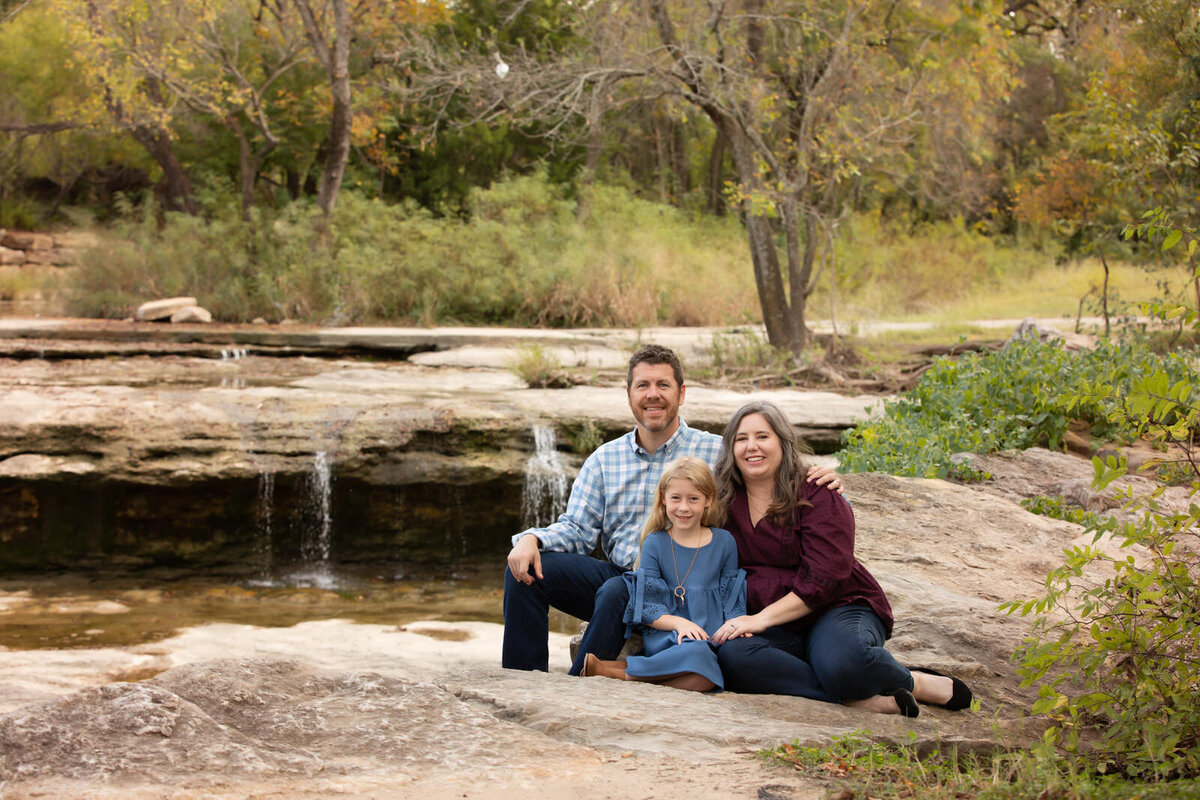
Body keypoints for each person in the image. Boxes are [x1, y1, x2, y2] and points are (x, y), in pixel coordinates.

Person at [503, 344, 839, 674]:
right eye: (643, 386)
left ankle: (582, 682)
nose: (653, 394)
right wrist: (533, 539)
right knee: (525, 568)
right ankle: (524, 681)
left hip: (689, 584)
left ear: (681, 393)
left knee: (618, 591)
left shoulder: (717, 452)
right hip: (626, 573)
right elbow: (578, 529)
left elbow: (768, 468)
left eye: (663, 385)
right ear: (629, 393)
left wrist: (821, 478)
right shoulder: (604, 460)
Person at [709, 401, 974, 717]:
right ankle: (853, 698)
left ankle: (912, 680)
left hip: (834, 608)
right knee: (733, 655)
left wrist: (760, 619)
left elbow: (826, 577)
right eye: (741, 439)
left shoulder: (817, 490)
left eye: (762, 436)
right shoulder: (722, 499)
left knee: (845, 664)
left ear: (782, 441)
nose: (752, 446)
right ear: (730, 448)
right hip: (774, 625)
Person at [581, 457, 745, 692]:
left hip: (710, 638)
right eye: (676, 498)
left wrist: (737, 622)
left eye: (693, 499)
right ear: (663, 499)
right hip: (670, 634)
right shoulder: (655, 543)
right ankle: (624, 670)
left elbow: (731, 593)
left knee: (706, 675)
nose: (684, 507)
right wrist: (679, 623)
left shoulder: (724, 542)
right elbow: (647, 605)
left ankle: (619, 673)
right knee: (699, 658)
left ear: (708, 500)